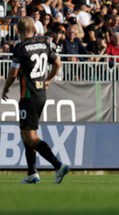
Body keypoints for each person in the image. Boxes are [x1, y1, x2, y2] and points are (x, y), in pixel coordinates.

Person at [1, 17, 70, 184]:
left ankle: (58, 165)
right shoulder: (44, 44)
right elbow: (58, 64)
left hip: (28, 96)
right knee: (25, 134)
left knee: (30, 137)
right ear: (34, 29)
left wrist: (5, 88)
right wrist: (47, 80)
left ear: (18, 30)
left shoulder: (20, 48)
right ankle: (32, 172)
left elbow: (13, 73)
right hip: (41, 95)